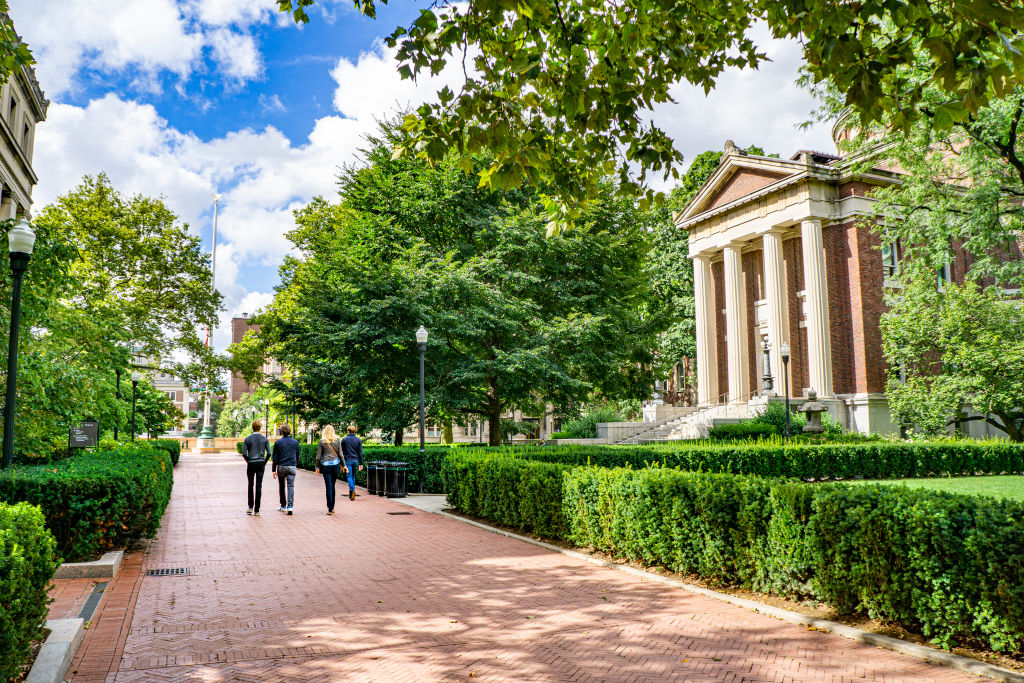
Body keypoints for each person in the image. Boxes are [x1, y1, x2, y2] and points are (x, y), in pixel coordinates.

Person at [241, 421, 270, 516]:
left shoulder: (248, 439)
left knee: (250, 484)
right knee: (259, 485)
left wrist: (248, 461)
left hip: (251, 463)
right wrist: (264, 462)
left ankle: (250, 507)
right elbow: (269, 453)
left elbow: (244, 453)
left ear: (252, 427)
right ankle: (257, 510)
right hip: (261, 463)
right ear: (260, 428)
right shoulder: (264, 439)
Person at [272, 424, 301, 515]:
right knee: (291, 486)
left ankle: (283, 506)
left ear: (282, 432)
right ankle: (290, 506)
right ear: (290, 431)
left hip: (281, 467)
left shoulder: (278, 443)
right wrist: (294, 463)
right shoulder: (295, 442)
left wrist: (274, 470)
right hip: (292, 466)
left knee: (282, 486)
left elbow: (275, 457)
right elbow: (298, 455)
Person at [315, 425, 343, 515]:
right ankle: (332, 506)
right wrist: (344, 465)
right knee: (333, 485)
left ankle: (330, 508)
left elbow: (318, 456)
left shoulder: (322, 441)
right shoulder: (337, 440)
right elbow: (341, 454)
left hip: (325, 465)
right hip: (335, 465)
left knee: (328, 486)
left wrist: (317, 467)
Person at [341, 425, 364, 501]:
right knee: (353, 476)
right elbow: (360, 453)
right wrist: (361, 463)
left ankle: (352, 490)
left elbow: (341, 452)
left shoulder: (344, 440)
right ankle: (351, 493)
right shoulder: (358, 440)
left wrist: (341, 463)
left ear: (348, 431)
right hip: (355, 460)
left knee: (348, 476)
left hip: (347, 460)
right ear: (354, 431)